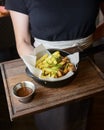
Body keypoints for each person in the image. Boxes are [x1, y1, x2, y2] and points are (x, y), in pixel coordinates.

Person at [5, 1, 104, 130]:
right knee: (53, 121)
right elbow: (22, 41)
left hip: (86, 63)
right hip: (44, 67)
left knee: (81, 117)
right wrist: (44, 69)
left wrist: (87, 41)